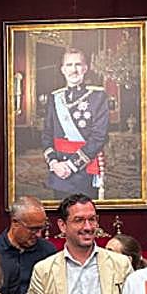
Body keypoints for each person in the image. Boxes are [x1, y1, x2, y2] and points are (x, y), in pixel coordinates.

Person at [41, 48, 109, 198]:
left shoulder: (98, 96)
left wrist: (71, 166)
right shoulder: (55, 98)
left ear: (85, 68)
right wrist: (54, 163)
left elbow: (99, 137)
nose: (74, 70)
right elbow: (47, 135)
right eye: (69, 65)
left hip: (84, 172)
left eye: (78, 65)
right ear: (63, 70)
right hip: (59, 172)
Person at [0, 196, 57, 294]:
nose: (39, 234)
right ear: (15, 222)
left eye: (42, 228)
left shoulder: (48, 252)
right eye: (33, 229)